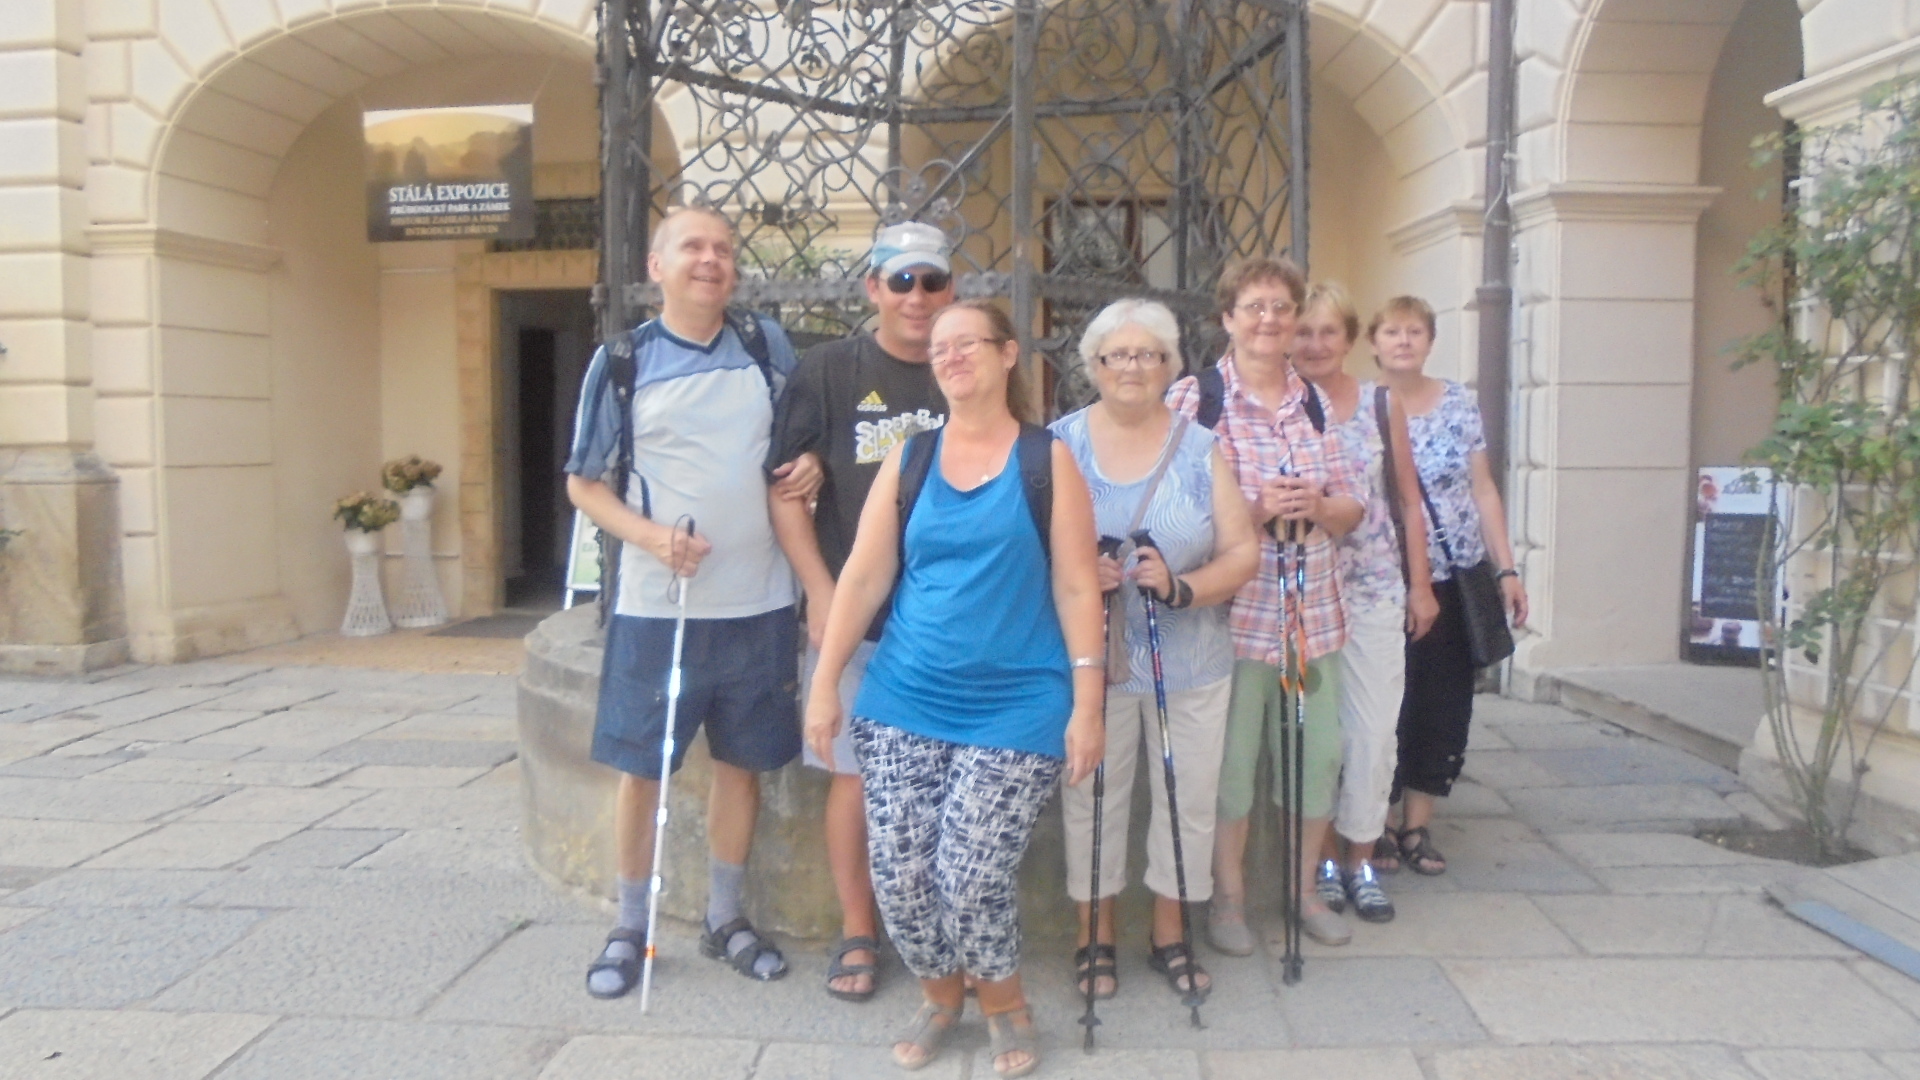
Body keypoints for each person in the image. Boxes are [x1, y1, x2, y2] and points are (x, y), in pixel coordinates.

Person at [805, 300, 1104, 1078]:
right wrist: (825, 683)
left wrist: (1088, 705)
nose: (951, 356)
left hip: (1019, 701)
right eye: (940, 347)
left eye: (968, 342)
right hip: (904, 697)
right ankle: (941, 996)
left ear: (1008, 354)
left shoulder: (1047, 460)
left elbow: (1079, 587)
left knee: (970, 876)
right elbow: (863, 577)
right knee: (902, 877)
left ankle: (1004, 1002)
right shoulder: (911, 458)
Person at [565, 205, 814, 998]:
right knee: (644, 772)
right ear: (657, 266)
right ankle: (629, 926)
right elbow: (583, 483)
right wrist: (648, 537)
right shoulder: (621, 361)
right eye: (693, 247)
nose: (711, 260)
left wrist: (810, 462)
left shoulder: (766, 346)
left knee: (742, 767)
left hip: (760, 602)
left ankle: (725, 918)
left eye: (723, 249)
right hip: (657, 608)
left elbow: (800, 444)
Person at [766, 221, 956, 1003]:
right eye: (901, 280)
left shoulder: (964, 363)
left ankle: (941, 929)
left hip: (949, 621)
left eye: (932, 281)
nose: (917, 297)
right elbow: (784, 491)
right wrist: (820, 590)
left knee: (947, 784)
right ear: (873, 287)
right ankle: (857, 930)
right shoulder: (829, 370)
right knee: (852, 778)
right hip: (858, 616)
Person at [1052, 299, 1259, 1003]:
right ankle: (1094, 935)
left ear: (1170, 366)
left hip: (1190, 659)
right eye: (1118, 354)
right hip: (1094, 664)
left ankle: (1171, 932)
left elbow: (1242, 550)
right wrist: (1079, 573)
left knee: (1187, 798)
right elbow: (1027, 546)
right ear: (1094, 365)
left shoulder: (1200, 448)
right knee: (1091, 798)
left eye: (1148, 354)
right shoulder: (1060, 445)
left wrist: (1181, 588)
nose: (1132, 367)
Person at [1165, 256, 1366, 950]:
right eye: (1254, 306)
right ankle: (1228, 902)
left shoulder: (1313, 400)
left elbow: (1353, 504)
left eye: (1282, 307)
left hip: (1312, 620)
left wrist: (1318, 505)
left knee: (1317, 759)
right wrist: (1252, 511)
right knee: (1230, 769)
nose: (1269, 320)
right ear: (1227, 317)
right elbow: (1173, 513)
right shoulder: (1196, 400)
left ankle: (1302, 892)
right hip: (1231, 618)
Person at [1291, 281, 1439, 921]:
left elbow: (1407, 498)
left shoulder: (1381, 403)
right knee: (1317, 739)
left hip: (1374, 586)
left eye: (1328, 331)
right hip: (1299, 593)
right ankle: (1322, 861)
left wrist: (1421, 584)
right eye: (1303, 331)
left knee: (1374, 734)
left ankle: (1361, 858)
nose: (1315, 343)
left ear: (1350, 339)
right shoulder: (1279, 406)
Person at [1373, 295, 1529, 876]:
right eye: (1392, 331)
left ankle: (1417, 825)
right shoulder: (1364, 405)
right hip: (1388, 581)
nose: (1404, 341)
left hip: (1456, 576)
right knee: (1388, 703)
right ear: (1374, 343)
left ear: (1430, 341)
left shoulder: (1459, 403)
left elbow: (1482, 489)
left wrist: (1506, 567)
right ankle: (1378, 822)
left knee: (1443, 703)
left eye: (1414, 331)